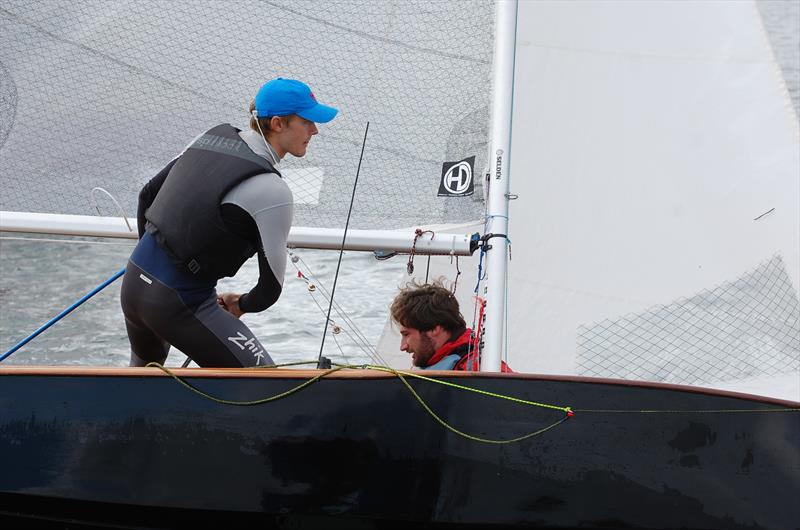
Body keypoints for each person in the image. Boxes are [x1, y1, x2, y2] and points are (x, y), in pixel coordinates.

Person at [120, 78, 338, 367]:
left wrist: (155, 256)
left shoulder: (211, 138)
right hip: (179, 301)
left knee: (139, 386)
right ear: (277, 123)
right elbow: (269, 289)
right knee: (269, 386)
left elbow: (147, 195)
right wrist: (241, 304)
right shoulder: (273, 191)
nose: (315, 130)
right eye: (307, 121)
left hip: (135, 280)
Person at [389, 282, 512, 371]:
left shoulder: (479, 367)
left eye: (406, 335)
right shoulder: (439, 363)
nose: (403, 346)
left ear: (434, 329)